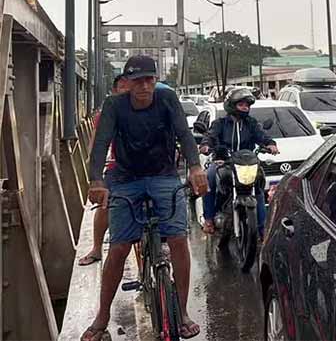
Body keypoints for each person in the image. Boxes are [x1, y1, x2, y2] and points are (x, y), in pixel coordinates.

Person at [81, 55, 207, 341]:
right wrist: (96, 180)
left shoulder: (167, 99)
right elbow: (100, 144)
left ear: (156, 80)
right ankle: (102, 316)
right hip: (126, 179)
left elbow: (184, 135)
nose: (144, 86)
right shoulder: (114, 106)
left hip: (163, 175)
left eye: (150, 79)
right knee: (120, 247)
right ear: (126, 82)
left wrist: (196, 167)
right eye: (138, 80)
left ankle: (183, 311)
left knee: (177, 238)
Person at [200, 87, 278, 237]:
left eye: (247, 105)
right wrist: (206, 145)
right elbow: (210, 136)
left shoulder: (251, 123)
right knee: (209, 178)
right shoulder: (220, 123)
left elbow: (262, 136)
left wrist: (270, 144)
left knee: (259, 186)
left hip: (247, 163)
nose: (245, 108)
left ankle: (263, 230)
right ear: (232, 105)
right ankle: (209, 219)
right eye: (241, 104)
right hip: (223, 162)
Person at [77, 74, 129, 266]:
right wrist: (95, 171)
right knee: (105, 202)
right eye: (122, 87)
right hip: (119, 166)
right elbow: (97, 143)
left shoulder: (148, 107)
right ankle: (97, 248)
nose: (127, 90)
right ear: (114, 91)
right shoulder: (109, 113)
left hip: (147, 167)